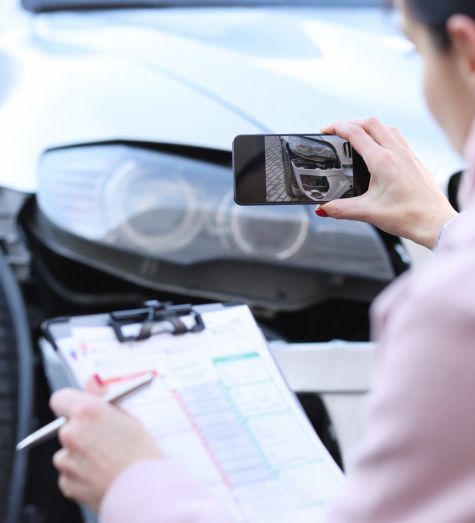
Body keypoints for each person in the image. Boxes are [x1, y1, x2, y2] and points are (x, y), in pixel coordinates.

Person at [50, 0, 475, 521]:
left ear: (467, 50)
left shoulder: (451, 310)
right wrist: (446, 228)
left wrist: (130, 482)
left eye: (412, 51)